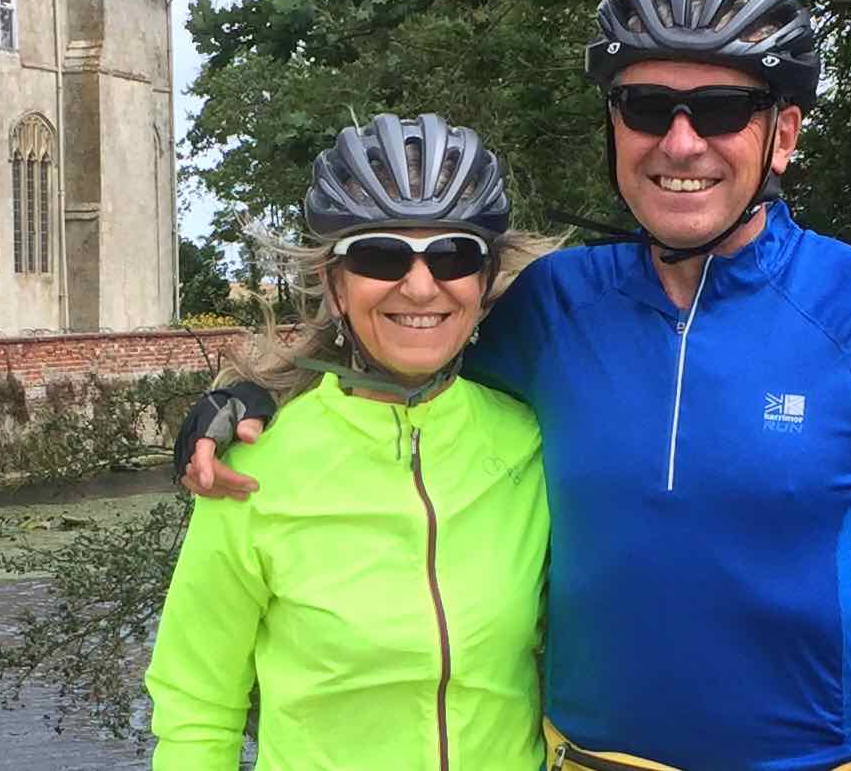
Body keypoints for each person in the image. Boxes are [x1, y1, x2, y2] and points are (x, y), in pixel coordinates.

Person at [179, 0, 851, 770]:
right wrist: (246, 396)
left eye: (720, 109)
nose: (680, 141)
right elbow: (401, 344)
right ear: (614, 124)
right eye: (646, 107)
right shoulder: (551, 306)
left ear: (782, 133)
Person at [147, 114, 557, 769]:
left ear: (484, 283)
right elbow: (196, 707)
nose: (419, 285)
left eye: (453, 255)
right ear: (336, 284)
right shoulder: (251, 470)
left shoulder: (532, 442)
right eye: (380, 256)